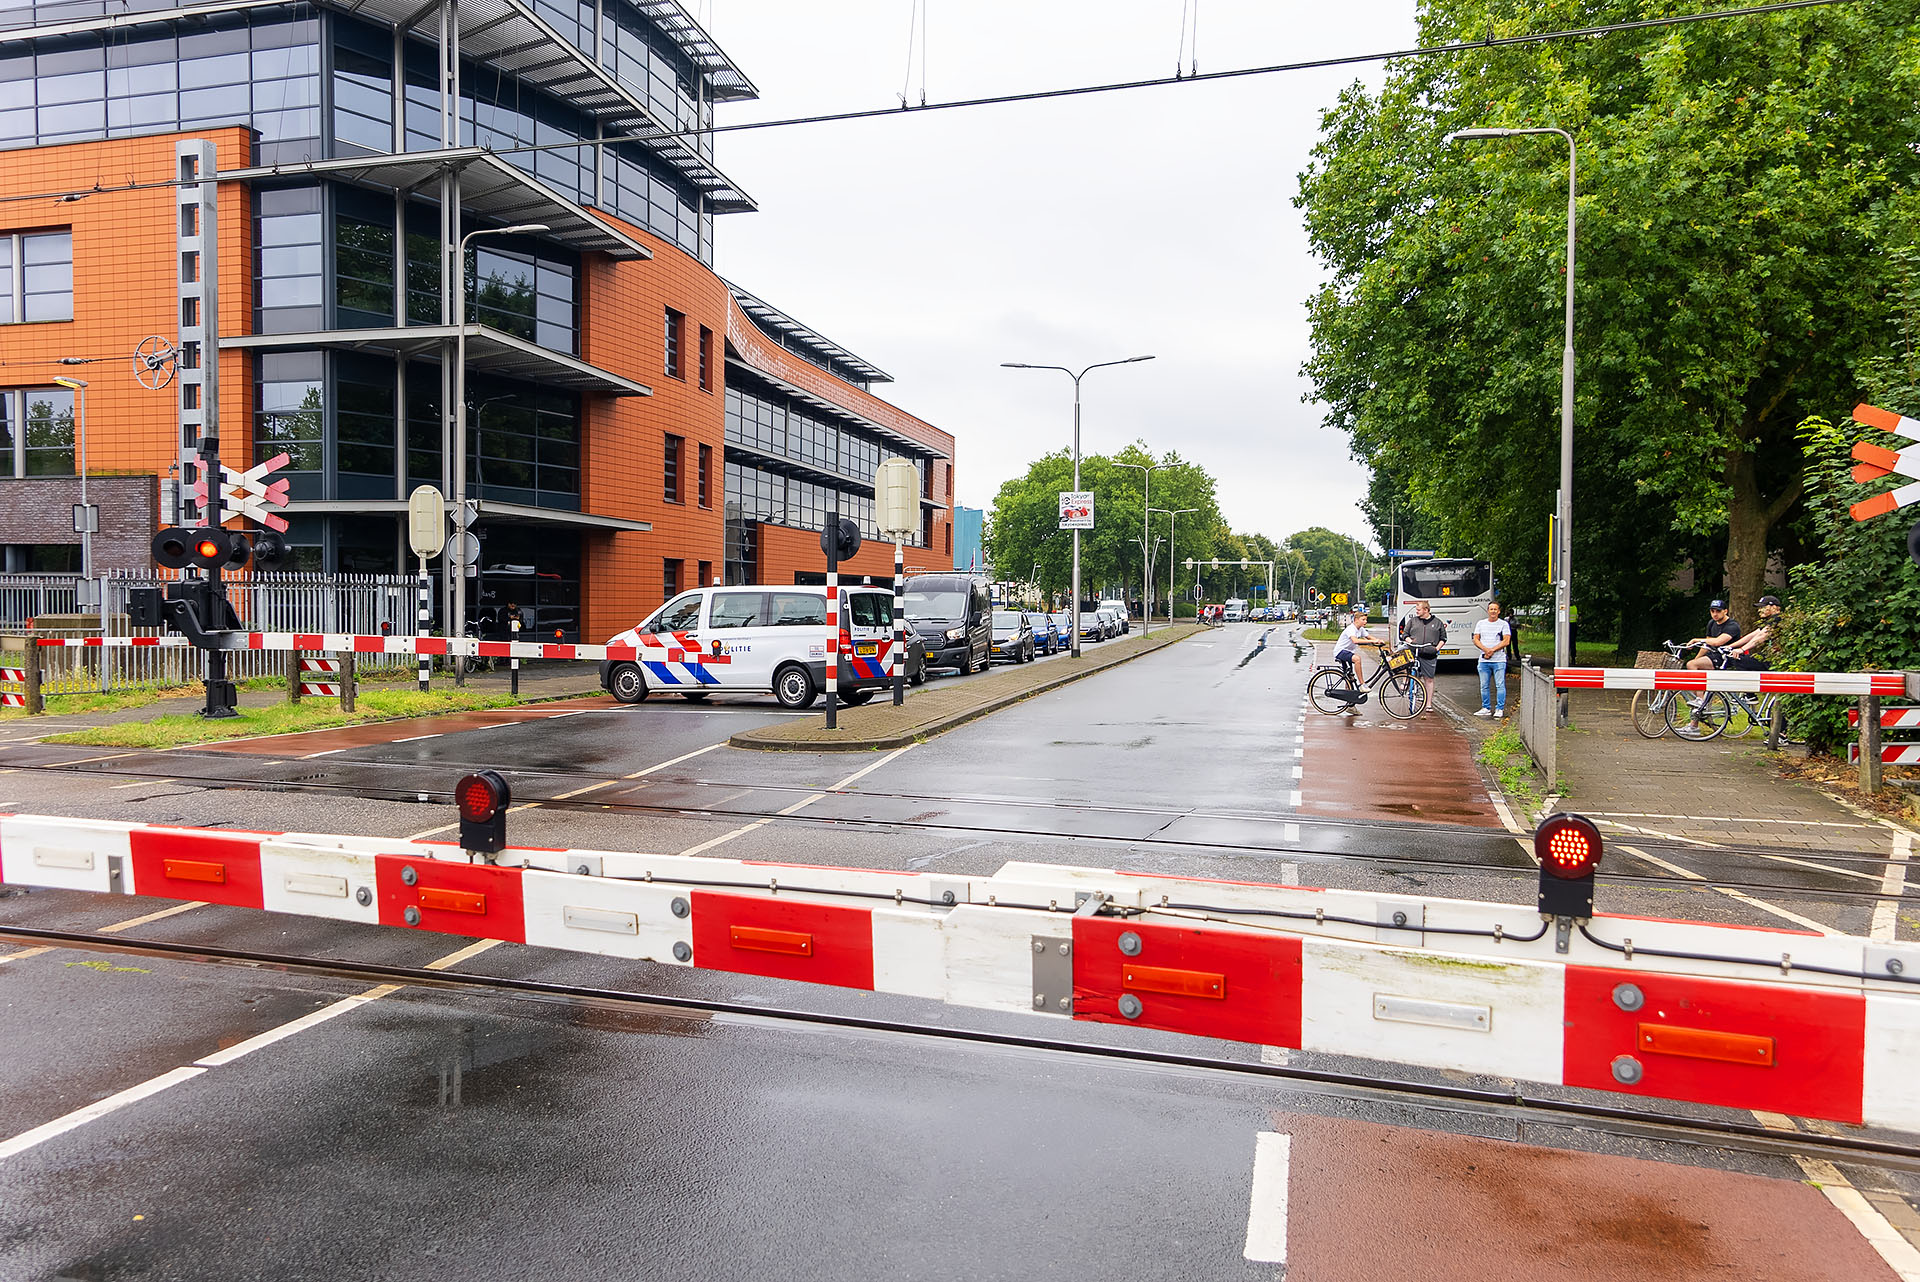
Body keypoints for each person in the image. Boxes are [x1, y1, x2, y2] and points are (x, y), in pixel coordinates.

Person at [1398, 599, 1448, 717]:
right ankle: (1405, 681)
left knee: (1429, 679)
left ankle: (1428, 704)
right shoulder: (1412, 621)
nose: (1417, 612)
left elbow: (1443, 638)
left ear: (1426, 610)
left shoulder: (1437, 622)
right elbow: (1404, 634)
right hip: (1413, 651)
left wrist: (1436, 648)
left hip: (1429, 654)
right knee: (1403, 661)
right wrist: (1409, 640)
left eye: (1419, 610)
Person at [1334, 608, 1386, 715]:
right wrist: (1373, 641)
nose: (1365, 622)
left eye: (1366, 620)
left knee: (1349, 680)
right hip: (1341, 652)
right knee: (1357, 659)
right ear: (1356, 620)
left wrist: (1378, 641)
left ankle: (1350, 706)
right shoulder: (1351, 629)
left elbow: (1369, 637)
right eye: (1363, 620)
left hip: (1348, 652)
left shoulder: (1360, 629)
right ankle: (1362, 685)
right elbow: (1355, 640)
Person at [1472, 601, 1512, 718]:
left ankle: (1499, 708)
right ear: (1488, 610)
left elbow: (1506, 640)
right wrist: (1485, 650)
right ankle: (1486, 707)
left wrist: (1492, 650)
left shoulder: (1504, 624)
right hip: (1484, 660)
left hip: (1499, 660)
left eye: (1495, 609)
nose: (1493, 611)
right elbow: (1476, 639)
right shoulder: (1481, 623)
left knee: (1500, 685)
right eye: (1491, 609)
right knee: (1484, 685)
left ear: (1499, 611)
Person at [1722, 595, 1781, 671]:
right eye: (1759, 608)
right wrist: (1729, 646)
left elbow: (1762, 636)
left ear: (1774, 607)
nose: (1759, 610)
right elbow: (1753, 635)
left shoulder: (1778, 619)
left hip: (1775, 658)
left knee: (1739, 661)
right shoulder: (1769, 621)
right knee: (1741, 659)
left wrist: (1742, 650)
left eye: (1763, 607)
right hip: (1769, 656)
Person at [1684, 600, 1744, 670]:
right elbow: (1706, 645)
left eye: (1718, 611)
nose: (1715, 614)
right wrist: (1696, 658)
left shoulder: (1732, 625)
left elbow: (1718, 642)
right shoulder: (1712, 623)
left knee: (1691, 664)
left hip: (1729, 656)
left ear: (1725, 611)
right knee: (1693, 663)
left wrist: (1695, 640)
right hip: (1714, 655)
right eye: (1712, 611)